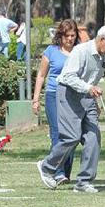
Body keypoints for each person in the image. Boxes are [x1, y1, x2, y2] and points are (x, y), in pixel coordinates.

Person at [36, 24, 105, 194]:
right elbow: (67, 77)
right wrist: (88, 88)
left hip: (87, 98)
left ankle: (84, 182)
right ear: (102, 39)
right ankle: (47, 167)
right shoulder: (81, 51)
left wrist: (93, 98)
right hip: (68, 94)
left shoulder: (102, 57)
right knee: (72, 136)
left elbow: (92, 81)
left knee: (93, 138)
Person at [32, 19, 80, 186]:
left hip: (73, 97)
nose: (70, 39)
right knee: (57, 133)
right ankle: (56, 171)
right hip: (53, 95)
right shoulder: (51, 51)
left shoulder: (79, 51)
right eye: (67, 36)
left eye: (73, 36)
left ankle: (65, 171)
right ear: (61, 36)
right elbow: (41, 75)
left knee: (73, 134)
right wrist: (36, 98)